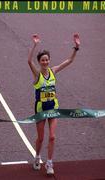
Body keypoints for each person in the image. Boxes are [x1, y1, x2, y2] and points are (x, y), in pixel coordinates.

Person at [28, 33, 80, 175]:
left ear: (49, 61)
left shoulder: (53, 71)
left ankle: (50, 164)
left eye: (47, 60)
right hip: (40, 109)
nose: (45, 62)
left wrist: (76, 48)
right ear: (39, 62)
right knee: (41, 138)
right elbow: (28, 61)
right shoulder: (37, 75)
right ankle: (37, 157)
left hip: (53, 108)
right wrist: (34, 45)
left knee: (52, 136)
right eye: (42, 60)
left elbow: (69, 61)